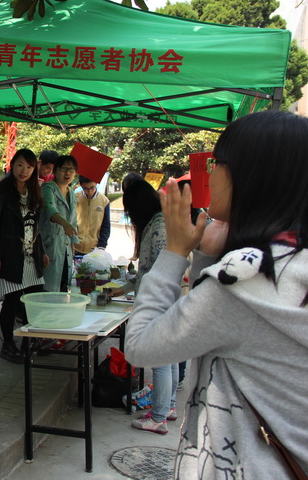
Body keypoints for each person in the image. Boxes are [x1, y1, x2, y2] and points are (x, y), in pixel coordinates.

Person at [126, 110, 308, 478]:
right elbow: (216, 337)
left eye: (217, 162)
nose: (209, 174)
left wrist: (174, 253)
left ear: (250, 175)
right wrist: (211, 255)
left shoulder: (242, 283)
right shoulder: (291, 260)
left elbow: (141, 346)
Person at [111, 179, 178, 434]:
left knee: (160, 360)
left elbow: (160, 267)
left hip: (158, 301)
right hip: (165, 298)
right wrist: (126, 288)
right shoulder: (158, 222)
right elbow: (147, 269)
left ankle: (158, 417)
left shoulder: (159, 225)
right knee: (170, 357)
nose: (129, 216)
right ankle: (168, 407)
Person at [0, 148, 49, 363]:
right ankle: (8, 344)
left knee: (35, 301)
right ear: (13, 165)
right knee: (12, 302)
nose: (24, 171)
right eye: (20, 165)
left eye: (29, 167)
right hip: (10, 255)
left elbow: (36, 225)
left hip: (32, 255)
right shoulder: (2, 190)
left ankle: (29, 342)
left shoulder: (33, 190)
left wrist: (42, 251)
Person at [39, 155, 79, 292]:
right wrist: (64, 224)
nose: (67, 173)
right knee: (48, 288)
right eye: (64, 169)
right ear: (55, 170)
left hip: (66, 247)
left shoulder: (71, 192)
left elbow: (73, 220)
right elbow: (50, 209)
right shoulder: (48, 188)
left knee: (63, 286)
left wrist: (73, 243)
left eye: (71, 169)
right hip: (50, 245)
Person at [74, 175, 111, 256]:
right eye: (86, 188)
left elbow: (106, 226)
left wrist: (102, 247)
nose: (90, 191)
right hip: (74, 247)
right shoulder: (74, 198)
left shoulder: (104, 201)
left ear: (96, 184)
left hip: (94, 249)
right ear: (81, 185)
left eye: (92, 188)